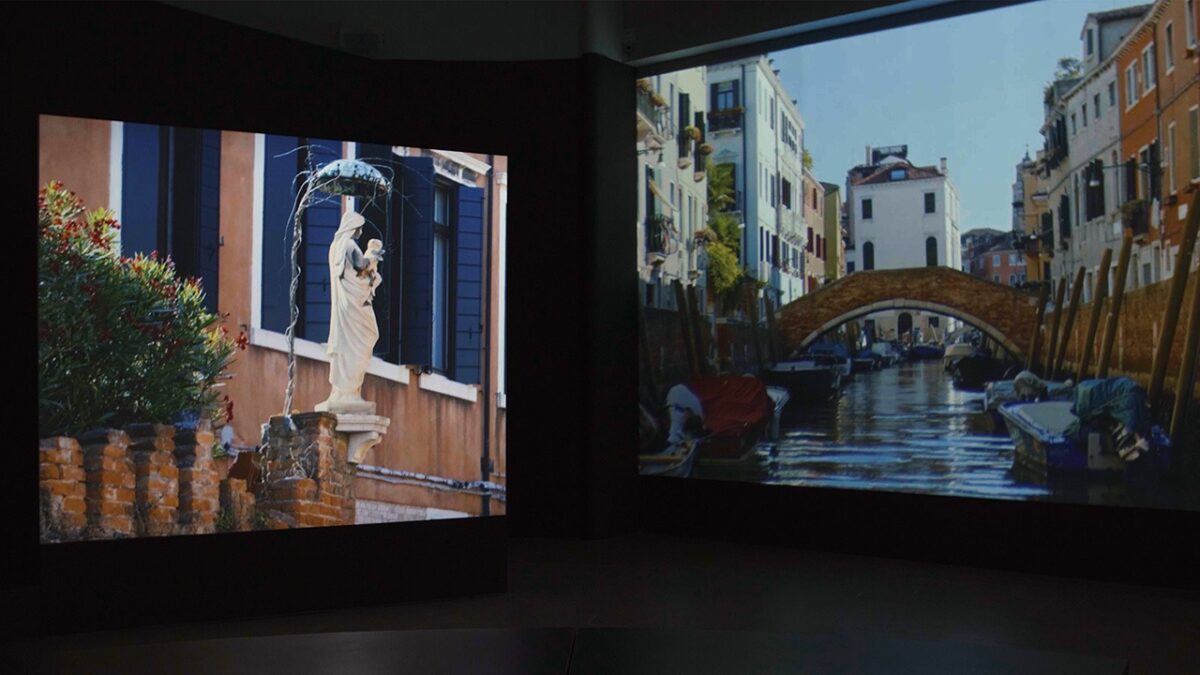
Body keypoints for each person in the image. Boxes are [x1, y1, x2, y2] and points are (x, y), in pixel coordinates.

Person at [316, 210, 384, 414]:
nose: (360, 232)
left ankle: (343, 390)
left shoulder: (335, 247)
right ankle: (349, 391)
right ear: (353, 227)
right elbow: (361, 266)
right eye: (359, 228)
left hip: (344, 304)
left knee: (347, 342)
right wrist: (372, 255)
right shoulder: (349, 245)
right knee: (369, 334)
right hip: (354, 303)